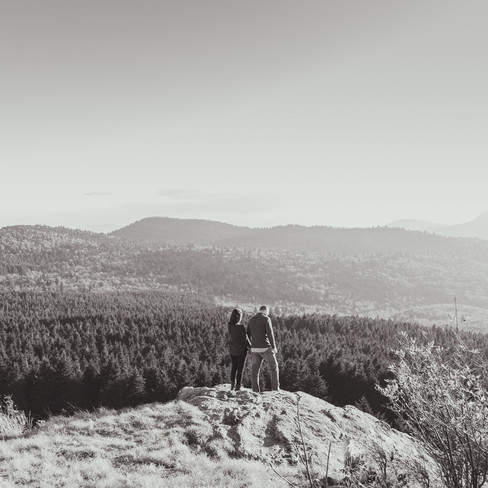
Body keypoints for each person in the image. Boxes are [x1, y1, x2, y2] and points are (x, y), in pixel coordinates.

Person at [246, 305, 280, 392]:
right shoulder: (266, 319)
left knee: (255, 371)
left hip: (254, 349)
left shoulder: (251, 319)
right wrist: (274, 347)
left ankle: (255, 390)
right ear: (266, 311)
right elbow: (270, 334)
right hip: (265, 348)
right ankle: (275, 389)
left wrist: (251, 346)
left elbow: (247, 335)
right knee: (274, 366)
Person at [227, 308, 250, 391]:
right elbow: (246, 339)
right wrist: (251, 348)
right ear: (239, 316)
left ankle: (232, 384)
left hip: (232, 350)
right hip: (241, 350)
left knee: (234, 367)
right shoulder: (241, 327)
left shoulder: (229, 325)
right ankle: (238, 386)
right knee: (240, 369)